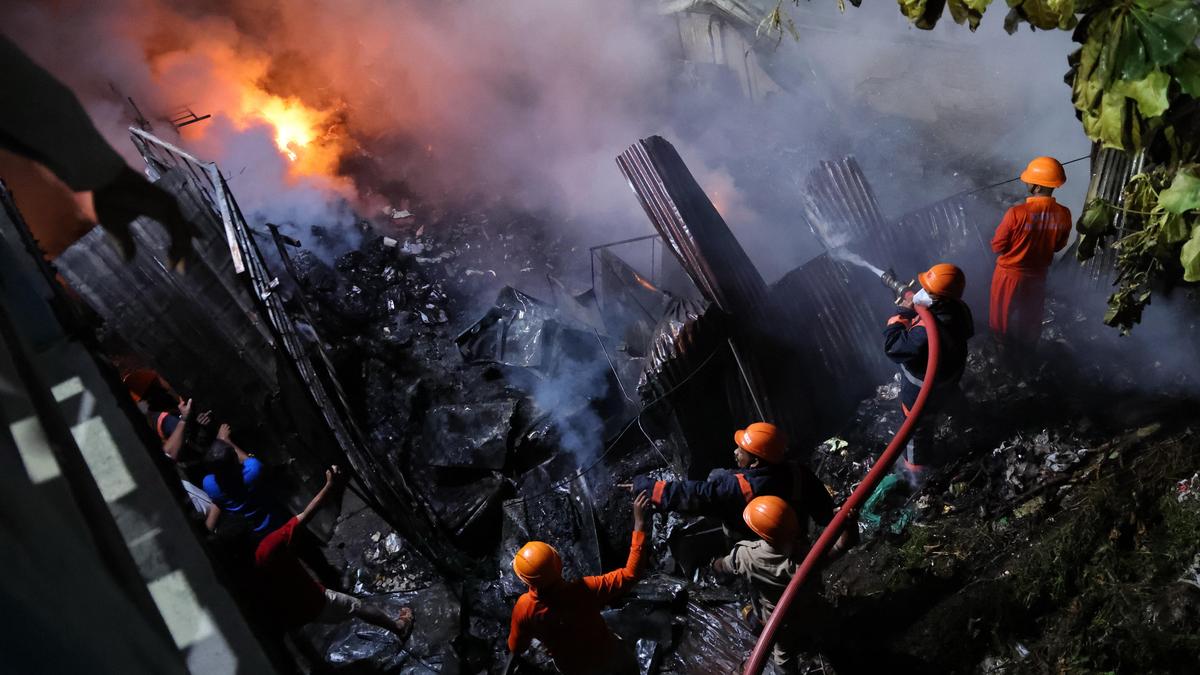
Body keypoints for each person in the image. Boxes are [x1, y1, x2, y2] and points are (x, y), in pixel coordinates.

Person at [246, 465, 414, 637]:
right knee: (358, 607)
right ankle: (399, 627)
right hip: (313, 601)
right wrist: (329, 485)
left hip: (288, 612)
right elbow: (306, 515)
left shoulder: (248, 570)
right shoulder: (268, 546)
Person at [504, 492, 652, 675]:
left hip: (576, 669)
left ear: (525, 580)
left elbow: (516, 647)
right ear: (558, 563)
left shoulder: (524, 609)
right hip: (608, 655)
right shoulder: (585, 589)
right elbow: (630, 575)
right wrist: (639, 524)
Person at [630, 422, 835, 540]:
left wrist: (649, 488)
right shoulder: (797, 471)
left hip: (756, 542)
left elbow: (697, 494)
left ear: (756, 461)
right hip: (795, 538)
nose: (735, 452)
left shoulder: (741, 488)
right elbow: (824, 512)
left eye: (741, 450)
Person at [713, 496, 831, 675]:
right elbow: (842, 545)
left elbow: (725, 565)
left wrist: (715, 564)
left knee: (783, 654)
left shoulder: (746, 555)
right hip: (809, 607)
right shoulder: (808, 558)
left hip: (779, 619)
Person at [883, 263, 974, 476]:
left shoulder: (926, 331)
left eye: (928, 290)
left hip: (921, 393)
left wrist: (902, 314)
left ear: (939, 298)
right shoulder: (960, 308)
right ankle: (968, 427)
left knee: (917, 429)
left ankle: (915, 471)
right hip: (949, 381)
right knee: (955, 405)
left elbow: (893, 348)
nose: (922, 292)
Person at [989, 156, 1072, 348]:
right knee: (1030, 317)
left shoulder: (1016, 213)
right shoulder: (1064, 214)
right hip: (1038, 275)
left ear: (1036, 186)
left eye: (1029, 180)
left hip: (1009, 275)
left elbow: (997, 246)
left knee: (1001, 317)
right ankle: (1027, 350)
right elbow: (1058, 246)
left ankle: (1001, 349)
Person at [201, 424, 288, 535]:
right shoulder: (253, 471)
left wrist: (219, 443)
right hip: (272, 520)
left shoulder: (209, 484)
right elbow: (249, 461)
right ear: (234, 459)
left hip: (250, 529)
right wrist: (225, 440)